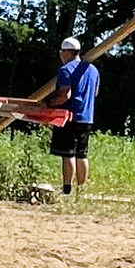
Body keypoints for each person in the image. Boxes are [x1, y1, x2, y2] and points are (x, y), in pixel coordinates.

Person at [48, 36, 98, 195]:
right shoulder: (93, 70)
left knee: (68, 153)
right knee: (82, 153)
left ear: (67, 52)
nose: (60, 55)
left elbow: (65, 94)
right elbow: (95, 93)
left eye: (61, 52)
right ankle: (81, 190)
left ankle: (67, 189)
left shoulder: (66, 70)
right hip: (87, 117)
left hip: (68, 117)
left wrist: (49, 104)